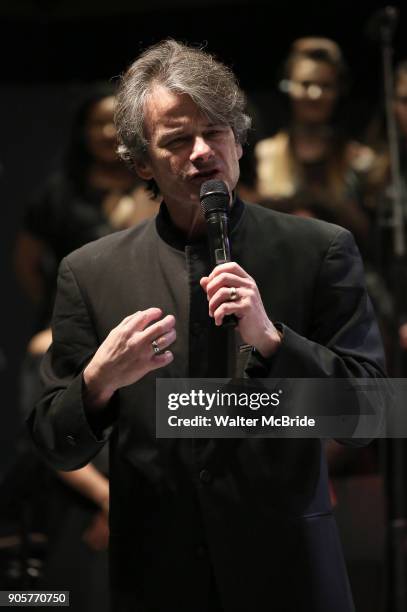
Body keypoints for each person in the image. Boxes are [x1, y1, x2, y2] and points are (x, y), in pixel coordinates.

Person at [28, 40, 385, 612]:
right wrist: (97, 383)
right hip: (158, 578)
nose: (201, 152)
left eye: (215, 132)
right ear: (141, 162)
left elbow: (368, 417)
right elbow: (54, 443)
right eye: (175, 140)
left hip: (286, 573)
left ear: (239, 140)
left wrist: (273, 340)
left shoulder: (319, 250)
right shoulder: (91, 272)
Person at [254, 37, 376, 256]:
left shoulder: (357, 158)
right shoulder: (266, 153)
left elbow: (370, 235)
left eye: (325, 85)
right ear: (287, 86)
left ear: (339, 90)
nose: (315, 94)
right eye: (305, 84)